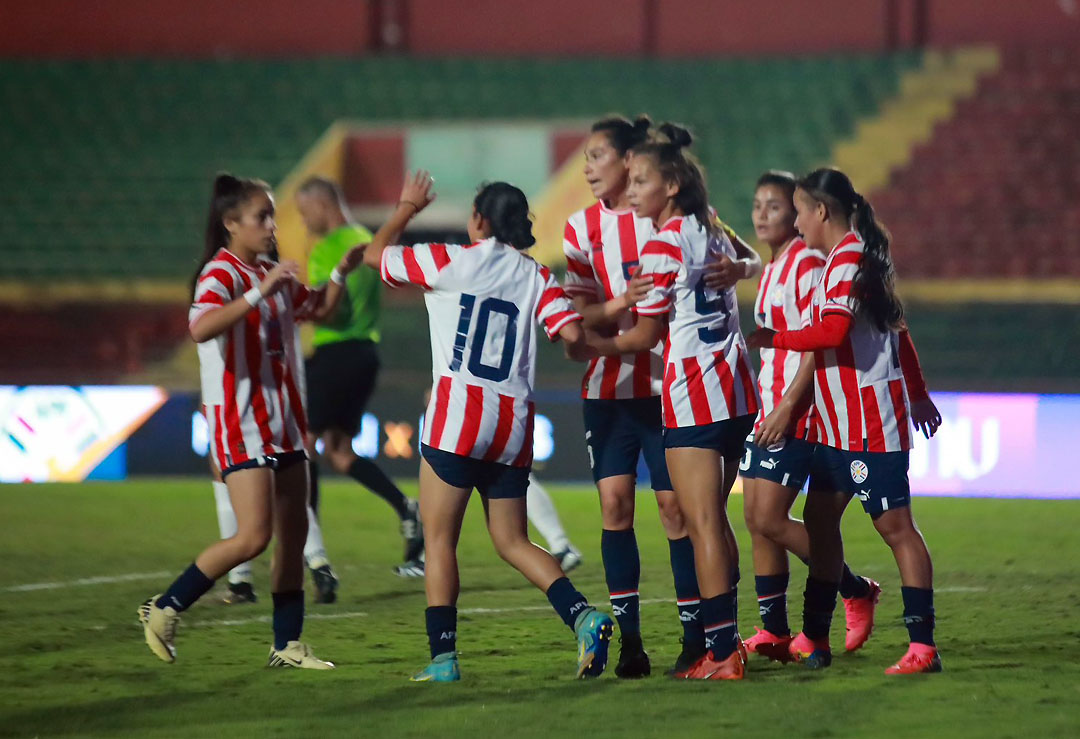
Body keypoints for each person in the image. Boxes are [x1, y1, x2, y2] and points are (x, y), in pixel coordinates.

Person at [363, 171, 614, 682]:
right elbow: (571, 334)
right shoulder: (536, 275)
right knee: (513, 541)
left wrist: (407, 207)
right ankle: (584, 616)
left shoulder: (448, 259)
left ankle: (443, 660)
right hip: (511, 426)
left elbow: (375, 255)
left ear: (478, 219)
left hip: (457, 422)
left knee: (440, 541)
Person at [138, 173, 365, 669]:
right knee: (253, 537)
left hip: (286, 422)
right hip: (243, 424)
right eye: (262, 216)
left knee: (294, 536)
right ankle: (165, 606)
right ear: (230, 223)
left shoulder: (269, 272)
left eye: (272, 216)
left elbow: (321, 309)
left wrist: (340, 273)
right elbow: (200, 327)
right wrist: (261, 291)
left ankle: (287, 645)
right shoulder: (222, 273)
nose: (271, 225)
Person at [563, 115, 757, 678]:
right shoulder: (697, 224)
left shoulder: (666, 239)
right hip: (722, 388)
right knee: (693, 517)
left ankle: (715, 649)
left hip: (688, 391)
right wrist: (614, 308)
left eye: (599, 156)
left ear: (645, 172)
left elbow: (646, 335)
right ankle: (707, 642)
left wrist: (593, 344)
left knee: (695, 520)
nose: (590, 169)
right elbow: (584, 305)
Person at [747, 167, 943, 675]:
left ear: (821, 211)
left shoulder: (850, 260)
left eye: (799, 210)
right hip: (836, 425)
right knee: (818, 521)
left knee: (896, 528)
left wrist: (778, 340)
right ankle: (814, 637)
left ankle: (922, 647)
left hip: (871, 423)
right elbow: (897, 329)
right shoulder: (842, 259)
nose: (796, 222)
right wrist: (920, 393)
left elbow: (834, 331)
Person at [739, 171, 886, 657]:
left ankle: (855, 589)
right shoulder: (774, 266)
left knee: (770, 516)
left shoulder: (806, 265)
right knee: (756, 519)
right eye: (757, 205)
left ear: (802, 213)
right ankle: (774, 630)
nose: (763, 214)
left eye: (777, 206)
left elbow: (817, 343)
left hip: (796, 409)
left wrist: (788, 406)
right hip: (768, 405)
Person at [297, 177, 424, 582]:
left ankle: (311, 547)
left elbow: (330, 311)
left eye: (304, 212)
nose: (304, 221)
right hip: (366, 354)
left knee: (304, 444)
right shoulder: (368, 241)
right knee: (338, 450)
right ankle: (406, 507)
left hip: (334, 353)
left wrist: (302, 310)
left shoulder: (328, 249)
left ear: (323, 205)